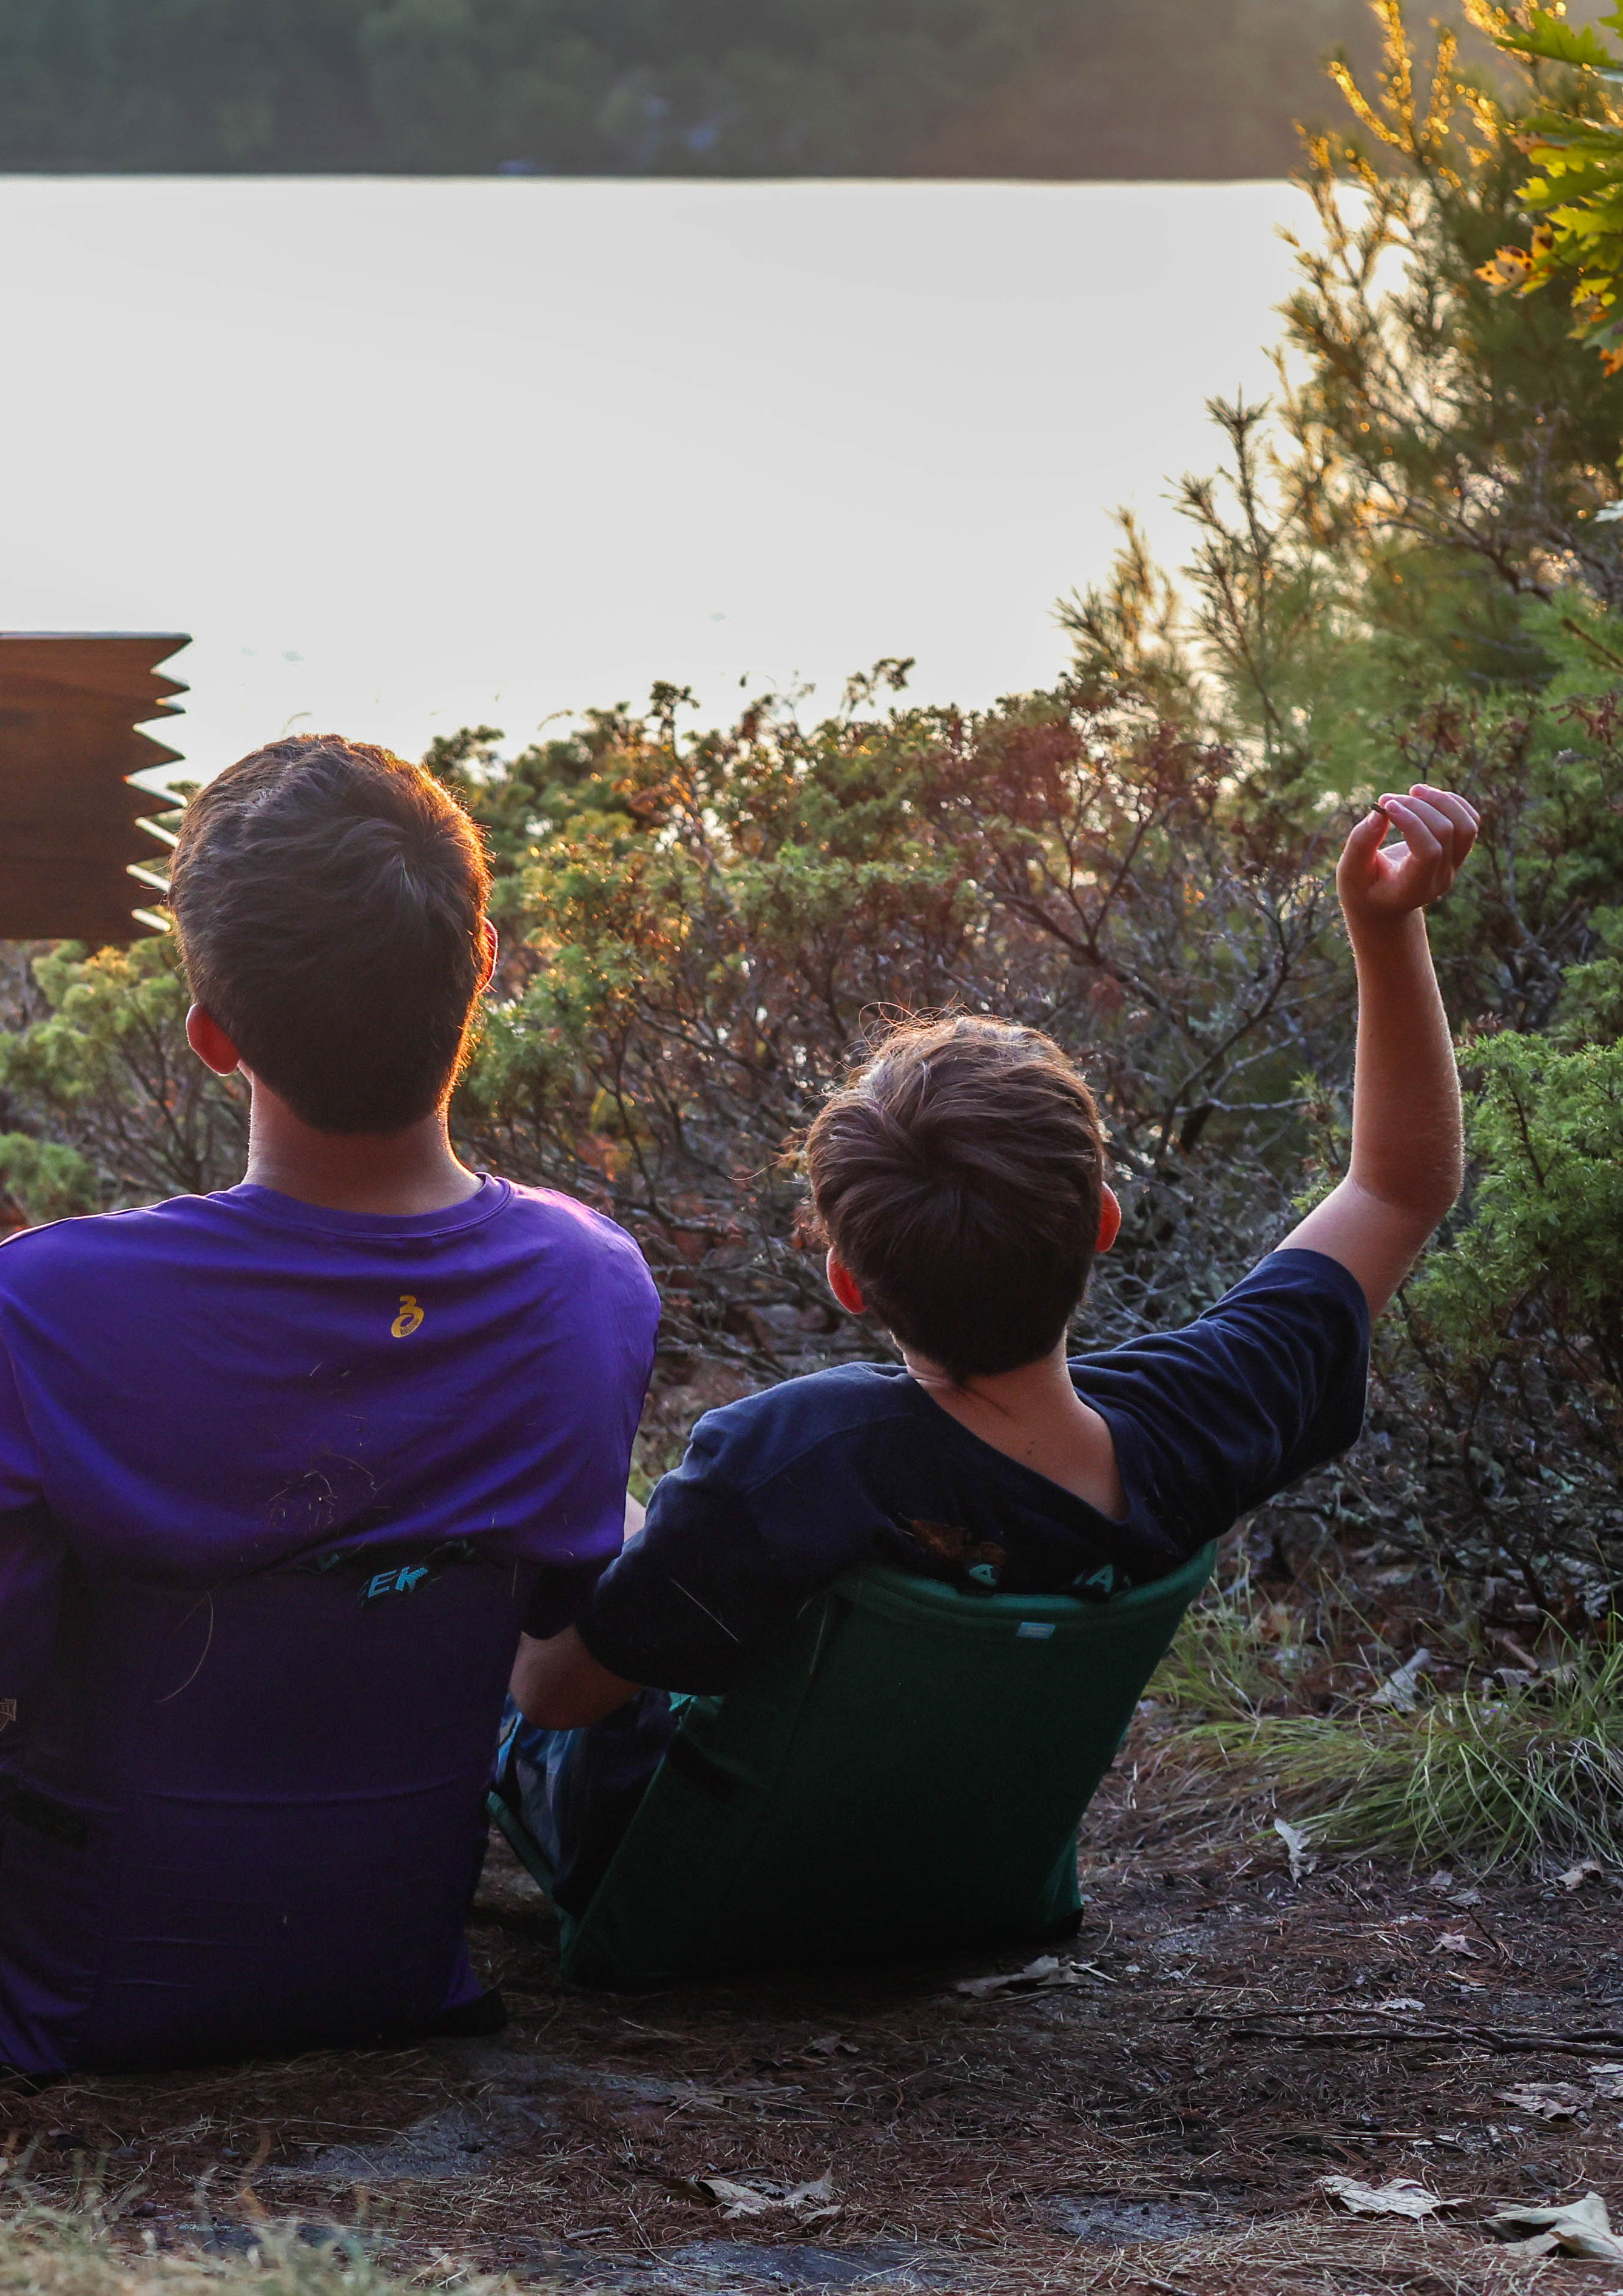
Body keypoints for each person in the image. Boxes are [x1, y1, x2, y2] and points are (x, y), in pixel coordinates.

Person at [0, 735, 662, 2080]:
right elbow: (553, 1659)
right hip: (387, 1954)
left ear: (211, 1035)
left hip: (64, 1979)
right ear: (480, 965)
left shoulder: (56, 1302)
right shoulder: (589, 1282)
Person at [499, 784, 1484, 1900]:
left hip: (701, 1892)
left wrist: (574, 1503)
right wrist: (1386, 929)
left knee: (583, 1537)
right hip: (965, 1886)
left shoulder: (789, 1461)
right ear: (1103, 1222)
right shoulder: (1202, 1416)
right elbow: (1399, 1189)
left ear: (848, 1283)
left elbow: (553, 1695)